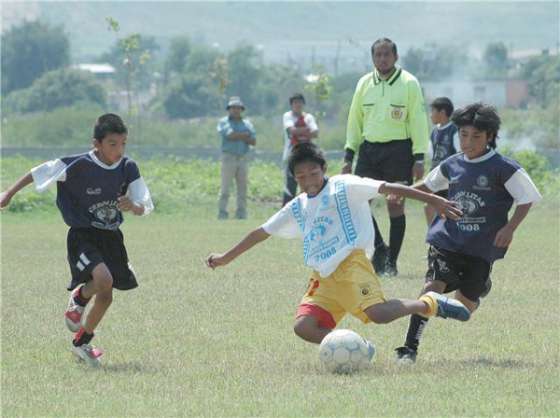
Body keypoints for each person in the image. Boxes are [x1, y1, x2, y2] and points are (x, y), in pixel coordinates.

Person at [207, 143, 471, 348]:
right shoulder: (297, 206)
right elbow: (260, 232)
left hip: (351, 262)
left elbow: (388, 187)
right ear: (295, 179)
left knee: (378, 314)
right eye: (301, 175)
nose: (309, 179)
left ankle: (430, 303)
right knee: (304, 327)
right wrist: (226, 257)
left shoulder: (344, 185)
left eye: (313, 172)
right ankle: (357, 349)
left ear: (323, 169)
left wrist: (434, 200)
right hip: (323, 276)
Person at [0, 113, 154, 367]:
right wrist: (8, 193)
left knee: (107, 295)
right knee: (104, 280)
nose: (119, 149)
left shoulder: (128, 167)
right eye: (113, 144)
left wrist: (133, 206)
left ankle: (82, 343)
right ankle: (80, 297)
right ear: (97, 144)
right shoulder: (78, 165)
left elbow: (144, 204)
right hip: (83, 234)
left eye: (123, 143)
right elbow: (38, 172)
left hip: (112, 237)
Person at [394, 103, 542, 364]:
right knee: (431, 289)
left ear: (489, 137)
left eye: (476, 136)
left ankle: (480, 286)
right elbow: (428, 185)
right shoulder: (452, 165)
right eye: (463, 135)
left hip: (481, 248)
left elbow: (526, 198)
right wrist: (400, 192)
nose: (468, 142)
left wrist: (510, 228)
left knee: (464, 310)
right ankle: (409, 348)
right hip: (447, 241)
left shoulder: (503, 167)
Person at [342, 37, 430, 277]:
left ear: (395, 57)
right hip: (369, 151)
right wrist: (349, 154)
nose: (382, 59)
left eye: (386, 55)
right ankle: (380, 248)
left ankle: (391, 262)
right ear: (372, 58)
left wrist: (419, 157)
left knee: (395, 204)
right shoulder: (363, 83)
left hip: (399, 151)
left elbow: (418, 121)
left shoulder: (409, 83)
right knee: (358, 202)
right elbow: (355, 120)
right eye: (377, 55)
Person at [217, 96, 256, 220]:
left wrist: (240, 136)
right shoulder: (224, 122)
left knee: (242, 188)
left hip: (243, 157)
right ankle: (222, 213)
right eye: (233, 108)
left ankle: (241, 213)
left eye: (237, 108)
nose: (235, 110)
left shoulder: (247, 123)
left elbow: (253, 140)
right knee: (225, 188)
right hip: (229, 157)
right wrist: (244, 135)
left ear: (241, 109)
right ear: (229, 109)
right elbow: (230, 135)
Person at [424, 97, 459, 225]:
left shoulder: (454, 131)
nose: (430, 115)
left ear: (442, 112)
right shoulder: (434, 132)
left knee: (450, 208)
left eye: (432, 111)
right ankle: (433, 237)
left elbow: (460, 154)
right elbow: (432, 156)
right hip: (436, 176)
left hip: (450, 177)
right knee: (429, 207)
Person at [282, 93, 319, 205]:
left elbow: (315, 133)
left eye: (300, 102)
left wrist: (299, 131)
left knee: (308, 182)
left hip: (306, 155)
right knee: (291, 183)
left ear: (303, 104)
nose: (297, 105)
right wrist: (306, 131)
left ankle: (308, 207)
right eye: (295, 102)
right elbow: (291, 131)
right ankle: (287, 210)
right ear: (291, 105)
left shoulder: (309, 117)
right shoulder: (288, 116)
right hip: (292, 154)